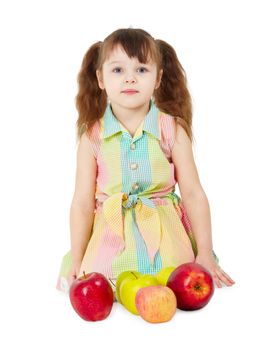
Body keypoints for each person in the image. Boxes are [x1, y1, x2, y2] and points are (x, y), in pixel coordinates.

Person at [56, 27, 235, 298]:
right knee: (102, 283)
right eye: (118, 70)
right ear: (100, 78)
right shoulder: (92, 136)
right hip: (112, 231)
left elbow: (193, 193)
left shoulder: (172, 129)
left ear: (158, 78)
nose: (130, 79)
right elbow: (82, 202)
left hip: (165, 231)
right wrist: (79, 259)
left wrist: (206, 252)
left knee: (175, 280)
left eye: (141, 70)